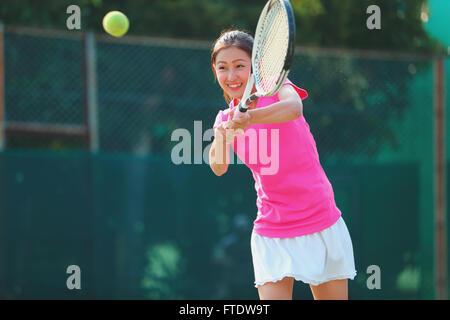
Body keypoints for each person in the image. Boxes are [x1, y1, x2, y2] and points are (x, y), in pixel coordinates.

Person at [208, 29, 356, 300]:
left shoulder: (278, 85)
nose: (231, 76)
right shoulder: (225, 118)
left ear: (255, 66)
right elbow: (219, 166)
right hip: (271, 228)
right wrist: (221, 134)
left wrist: (250, 117)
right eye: (222, 68)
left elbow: (294, 108)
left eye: (240, 66)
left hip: (319, 217)